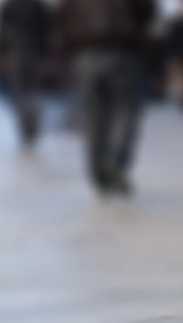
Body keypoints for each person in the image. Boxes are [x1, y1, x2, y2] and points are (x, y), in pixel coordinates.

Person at [57, 0, 156, 198]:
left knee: (95, 116)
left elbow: (60, 17)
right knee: (126, 110)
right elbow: (147, 11)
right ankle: (115, 161)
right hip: (123, 51)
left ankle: (98, 174)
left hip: (85, 53)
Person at [0, 0, 50, 149]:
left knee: (22, 93)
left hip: (19, 52)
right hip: (29, 52)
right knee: (31, 93)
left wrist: (0, 52)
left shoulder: (11, 6)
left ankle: (27, 128)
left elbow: (0, 31)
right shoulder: (36, 6)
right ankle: (30, 128)